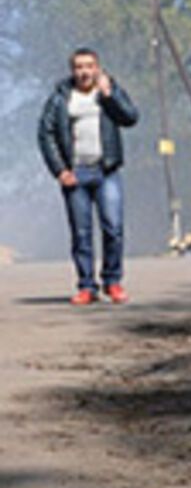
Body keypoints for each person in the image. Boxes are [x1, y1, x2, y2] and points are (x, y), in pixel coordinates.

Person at [37, 48, 140, 305]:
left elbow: (130, 118)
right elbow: (45, 133)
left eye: (89, 66)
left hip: (106, 170)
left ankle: (112, 281)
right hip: (76, 173)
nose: (84, 71)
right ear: (73, 70)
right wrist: (60, 170)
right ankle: (86, 285)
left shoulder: (108, 91)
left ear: (97, 68)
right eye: (79, 67)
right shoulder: (61, 98)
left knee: (113, 228)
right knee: (81, 233)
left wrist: (110, 94)